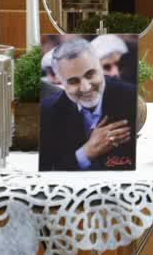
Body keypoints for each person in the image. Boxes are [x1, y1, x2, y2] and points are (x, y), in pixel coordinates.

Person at [38, 37, 137, 171]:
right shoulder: (47, 111)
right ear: (61, 82)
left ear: (100, 68)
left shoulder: (131, 98)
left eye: (90, 74)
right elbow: (48, 169)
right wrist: (85, 153)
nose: (85, 88)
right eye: (73, 81)